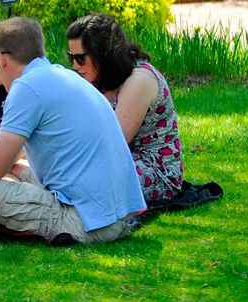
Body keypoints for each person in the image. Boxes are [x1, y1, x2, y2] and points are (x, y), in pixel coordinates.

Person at [0, 17, 145, 244]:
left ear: (2, 60)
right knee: (15, 167)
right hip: (119, 215)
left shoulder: (25, 87)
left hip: (84, 222)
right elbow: (9, 157)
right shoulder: (62, 76)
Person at [66, 13, 185, 204]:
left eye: (80, 58)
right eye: (71, 57)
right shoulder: (97, 79)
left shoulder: (140, 80)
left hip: (155, 171)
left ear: (103, 54)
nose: (74, 65)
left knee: (79, 181)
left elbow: (113, 142)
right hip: (120, 163)